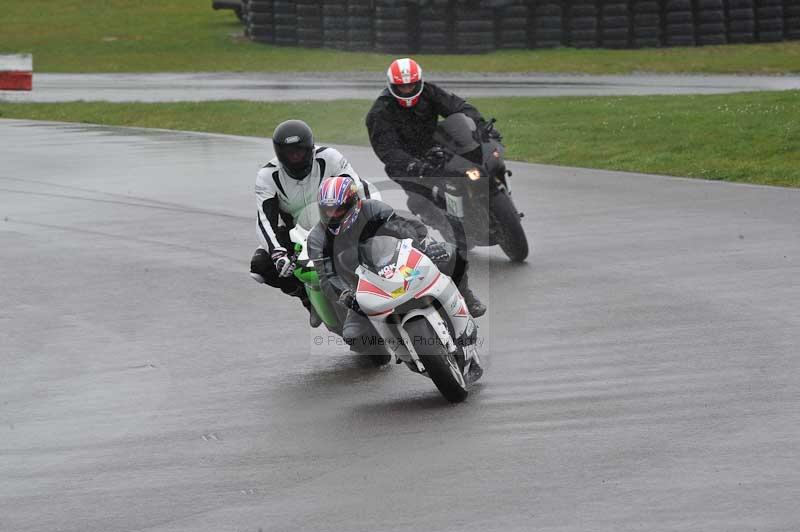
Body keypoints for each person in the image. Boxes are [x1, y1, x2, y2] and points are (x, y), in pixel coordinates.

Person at [307, 176, 485, 372]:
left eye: (338, 209)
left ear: (353, 203)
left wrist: (425, 247)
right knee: (354, 337)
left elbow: (406, 228)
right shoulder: (317, 239)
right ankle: (390, 349)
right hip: (363, 290)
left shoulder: (373, 209)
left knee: (453, 255)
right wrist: (345, 294)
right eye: (328, 210)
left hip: (400, 266)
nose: (333, 215)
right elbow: (327, 277)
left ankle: (466, 298)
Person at [365, 57, 491, 316]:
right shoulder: (379, 113)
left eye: (411, 86)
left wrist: (478, 124)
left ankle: (484, 200)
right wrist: (413, 165)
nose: (408, 91)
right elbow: (388, 151)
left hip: (435, 149)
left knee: (474, 163)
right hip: (406, 165)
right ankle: (443, 226)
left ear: (419, 82)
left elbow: (457, 105)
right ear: (392, 86)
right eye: (402, 87)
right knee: (424, 202)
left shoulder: (430, 92)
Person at [249, 119, 372, 328]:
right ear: (279, 154)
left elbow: (358, 188)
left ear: (310, 148)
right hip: (297, 235)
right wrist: (278, 253)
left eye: (300, 151)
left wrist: (366, 225)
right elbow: (264, 220)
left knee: (375, 241)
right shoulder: (267, 176)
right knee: (261, 266)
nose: (295, 158)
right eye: (289, 153)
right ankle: (306, 298)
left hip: (339, 222)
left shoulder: (330, 157)